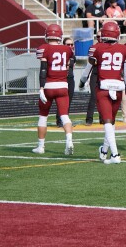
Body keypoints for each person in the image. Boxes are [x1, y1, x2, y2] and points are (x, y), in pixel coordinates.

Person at [87, 21, 126, 164]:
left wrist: (82, 82)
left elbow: (87, 70)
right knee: (111, 122)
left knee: (107, 121)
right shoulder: (124, 49)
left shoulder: (96, 48)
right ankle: (104, 151)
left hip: (103, 87)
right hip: (118, 87)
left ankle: (115, 155)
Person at [32, 25, 75, 155]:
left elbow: (43, 69)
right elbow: (70, 63)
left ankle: (41, 146)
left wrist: (41, 87)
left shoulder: (44, 48)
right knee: (65, 116)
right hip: (62, 85)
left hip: (49, 86)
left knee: (43, 116)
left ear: (47, 35)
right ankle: (69, 141)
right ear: (59, 36)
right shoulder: (67, 49)